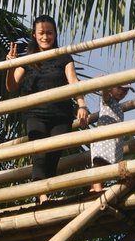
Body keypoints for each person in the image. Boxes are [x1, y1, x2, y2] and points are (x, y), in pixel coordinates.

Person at [6, 14, 88, 203]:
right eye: (41, 33)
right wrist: (10, 66)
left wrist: (82, 105)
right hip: (36, 115)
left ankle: (42, 195)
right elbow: (11, 86)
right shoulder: (26, 59)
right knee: (40, 154)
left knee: (53, 156)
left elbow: (74, 82)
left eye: (49, 33)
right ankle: (42, 196)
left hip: (61, 115)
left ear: (55, 34)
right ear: (34, 35)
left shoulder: (64, 56)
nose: (45, 37)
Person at [89, 84, 132, 192]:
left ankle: (95, 188)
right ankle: (97, 189)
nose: (122, 92)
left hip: (114, 143)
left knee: (105, 166)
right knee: (99, 163)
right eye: (119, 88)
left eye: (126, 91)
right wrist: (104, 84)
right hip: (104, 140)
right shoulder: (108, 100)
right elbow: (104, 94)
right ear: (111, 88)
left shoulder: (118, 107)